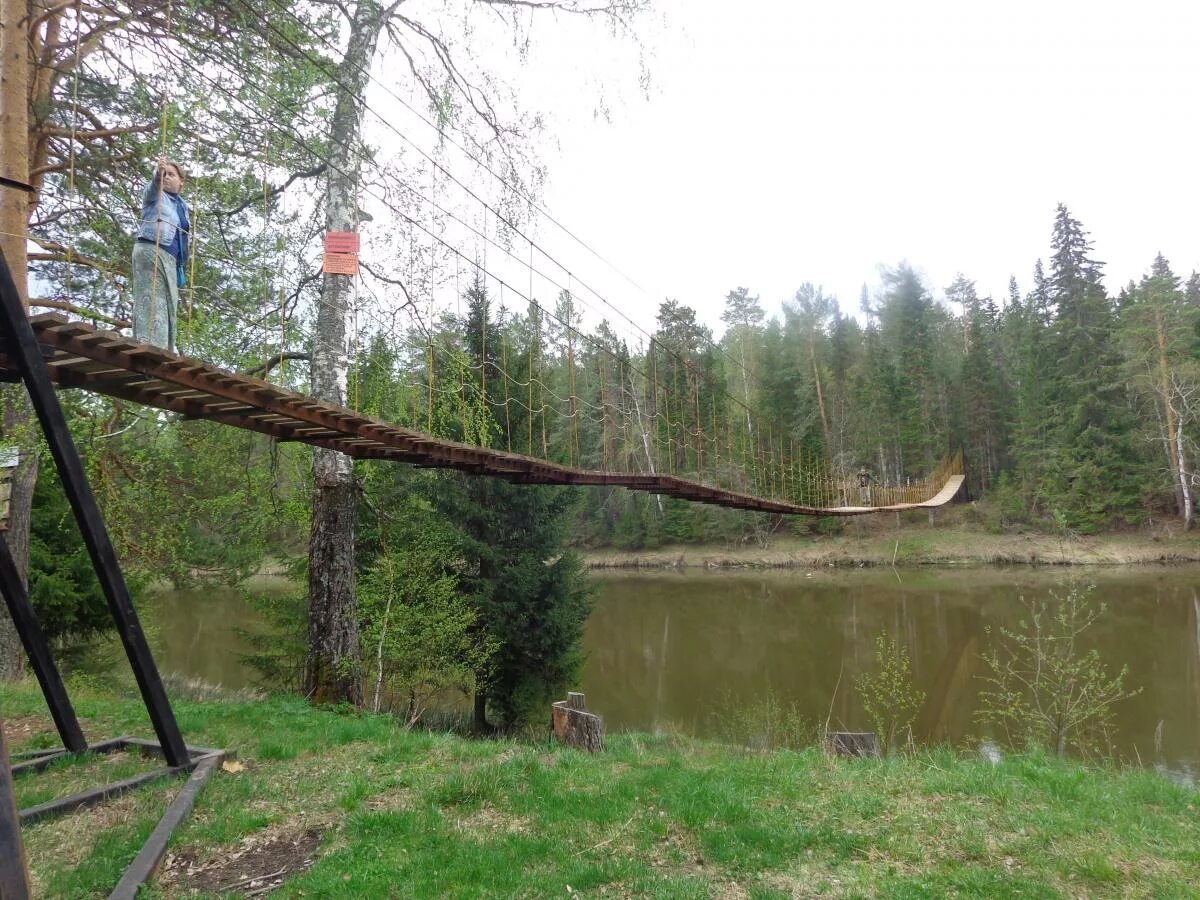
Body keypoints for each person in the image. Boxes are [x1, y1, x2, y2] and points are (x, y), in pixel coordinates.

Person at [131, 157, 189, 352]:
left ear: (181, 181)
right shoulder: (155, 196)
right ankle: (148, 344)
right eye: (165, 174)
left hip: (169, 258)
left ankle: (163, 347)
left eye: (171, 175)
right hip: (150, 250)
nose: (166, 178)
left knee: (168, 302)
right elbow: (152, 187)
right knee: (152, 297)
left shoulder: (181, 205)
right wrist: (158, 173)